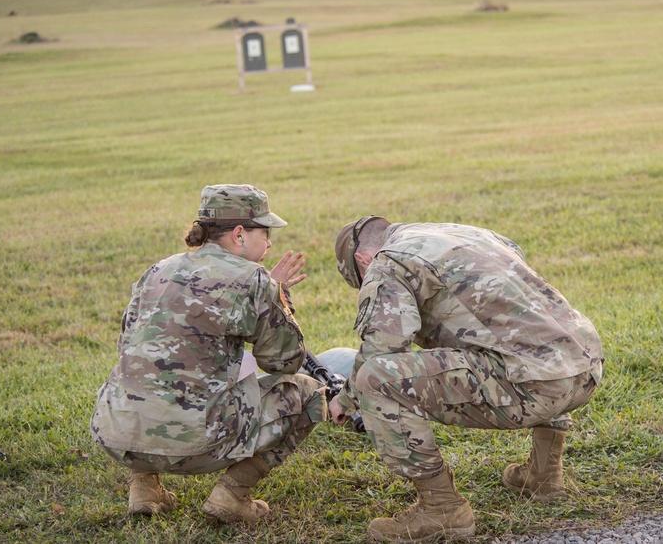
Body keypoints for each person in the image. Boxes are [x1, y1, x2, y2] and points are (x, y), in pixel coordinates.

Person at [329, 217, 604, 542]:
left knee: (375, 380)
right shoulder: (463, 233)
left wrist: (344, 400)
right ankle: (543, 475)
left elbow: (383, 348)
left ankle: (442, 509)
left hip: (534, 384)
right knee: (530, 345)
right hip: (585, 366)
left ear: (362, 261)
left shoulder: (387, 260)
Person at [91, 184, 328, 523]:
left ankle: (144, 487)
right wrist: (278, 298)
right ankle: (231, 496)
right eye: (266, 231)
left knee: (148, 377)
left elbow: (129, 346)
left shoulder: (158, 269)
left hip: (117, 433)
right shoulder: (254, 279)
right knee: (307, 392)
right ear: (240, 234)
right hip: (197, 445)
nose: (270, 242)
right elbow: (284, 361)